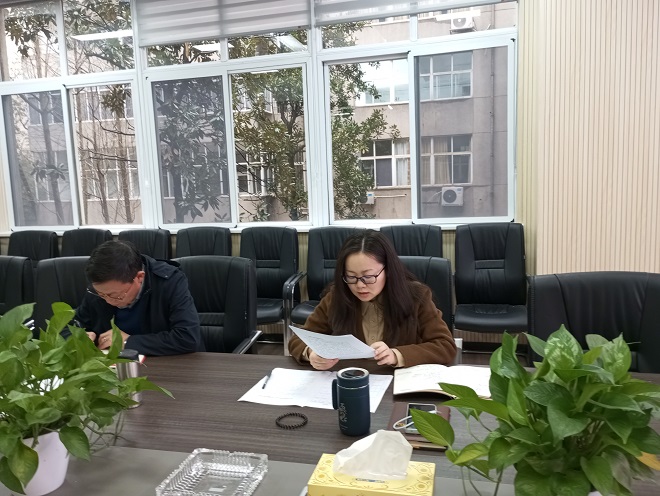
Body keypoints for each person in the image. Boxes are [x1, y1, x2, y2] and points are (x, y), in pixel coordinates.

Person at [288, 230, 456, 369]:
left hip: (397, 383)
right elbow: (298, 340)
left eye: (368, 277)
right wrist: (311, 353)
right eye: (351, 277)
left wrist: (396, 355)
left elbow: (445, 346)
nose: (360, 285)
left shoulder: (416, 297)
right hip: (352, 380)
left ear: (388, 270)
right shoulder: (336, 297)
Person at [75, 240, 203, 356]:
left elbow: (188, 338)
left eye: (115, 296)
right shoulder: (99, 289)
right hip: (113, 365)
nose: (107, 300)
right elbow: (71, 325)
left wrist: (128, 342)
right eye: (101, 294)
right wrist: (79, 337)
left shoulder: (169, 282)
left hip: (167, 363)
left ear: (139, 277)